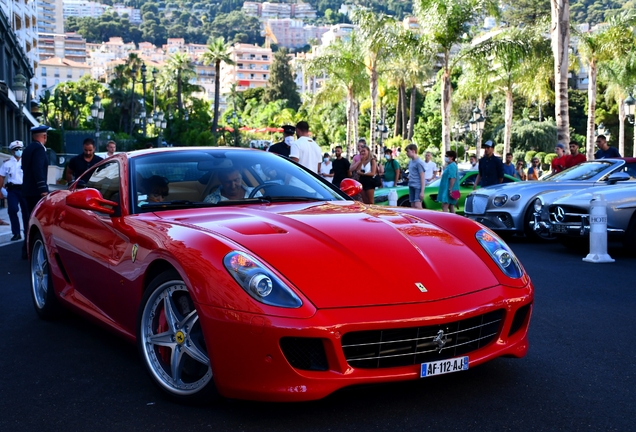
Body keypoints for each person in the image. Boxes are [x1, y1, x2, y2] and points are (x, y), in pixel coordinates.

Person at [22, 125, 51, 259]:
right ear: (44, 136)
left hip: (27, 190)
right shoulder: (39, 149)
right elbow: (38, 169)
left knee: (28, 220)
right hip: (36, 192)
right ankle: (33, 250)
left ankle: (25, 249)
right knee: (37, 221)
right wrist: (43, 189)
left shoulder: (28, 149)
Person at [0, 141, 28, 241]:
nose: (19, 151)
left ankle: (27, 232)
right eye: (16, 149)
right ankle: (16, 233)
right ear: (12, 151)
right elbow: (1, 177)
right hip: (13, 190)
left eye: (20, 149)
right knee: (12, 210)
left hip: (25, 189)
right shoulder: (7, 163)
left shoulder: (26, 161)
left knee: (26, 211)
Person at [406, 144, 427, 209]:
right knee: (412, 205)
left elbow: (422, 177)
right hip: (411, 185)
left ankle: (422, 218)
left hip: (417, 186)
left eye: (408, 151)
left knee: (418, 205)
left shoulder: (419, 162)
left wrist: (422, 191)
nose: (407, 153)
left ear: (413, 151)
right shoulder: (411, 162)